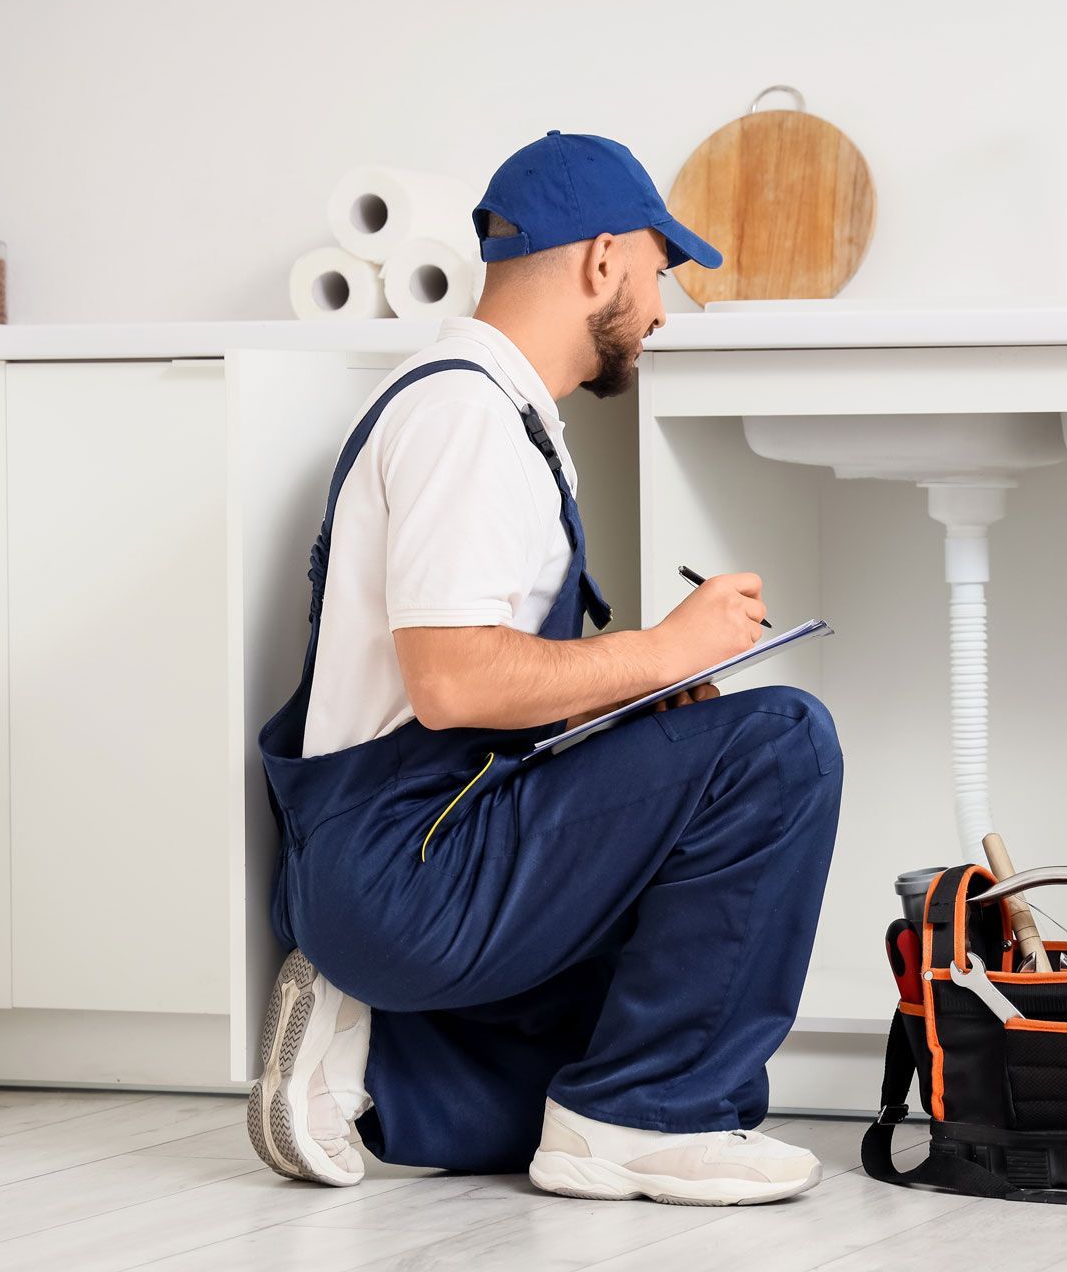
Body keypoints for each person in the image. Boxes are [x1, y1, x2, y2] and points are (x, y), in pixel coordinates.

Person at [246, 132, 844, 1207]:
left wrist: (639, 692)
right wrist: (661, 649)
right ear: (602, 260)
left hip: (409, 857)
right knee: (782, 743)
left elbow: (480, 693)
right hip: (405, 863)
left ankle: (368, 1060)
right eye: (662, 273)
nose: (664, 310)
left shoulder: (498, 410)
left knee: (578, 1068)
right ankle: (643, 1117)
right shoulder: (465, 416)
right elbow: (453, 684)